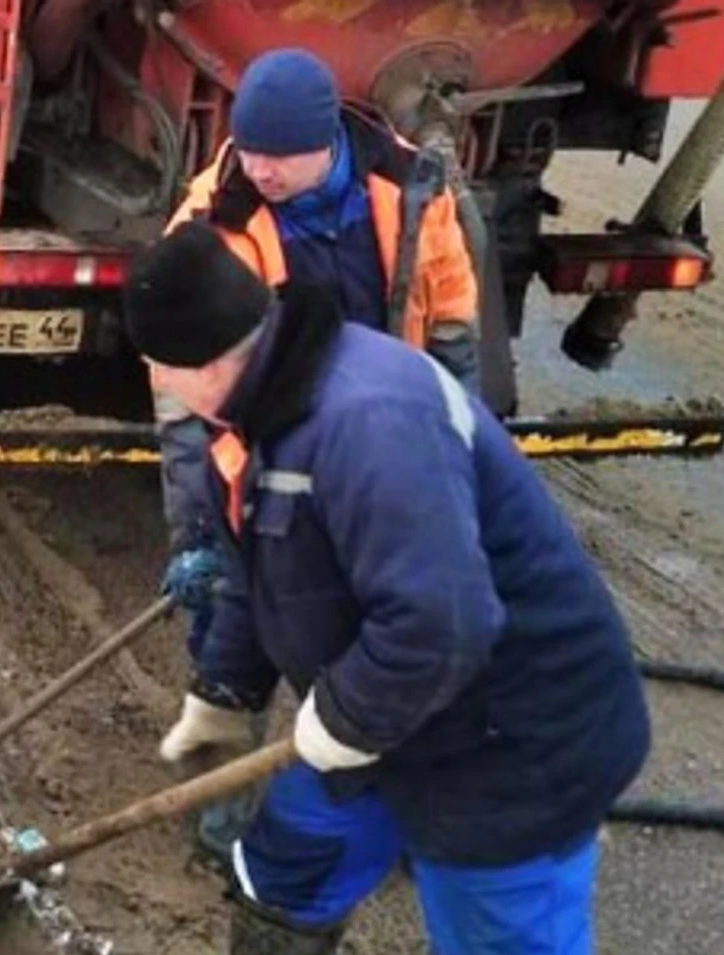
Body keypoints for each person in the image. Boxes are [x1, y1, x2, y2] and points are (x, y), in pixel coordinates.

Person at [117, 219, 655, 955]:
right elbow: (270, 566)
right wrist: (224, 688)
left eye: (160, 367)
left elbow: (445, 623)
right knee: (284, 864)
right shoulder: (273, 403)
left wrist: (345, 720)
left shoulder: (366, 421)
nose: (158, 384)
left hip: (511, 740)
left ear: (207, 358)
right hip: (402, 709)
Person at [153, 47, 484, 863]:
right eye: (247, 150)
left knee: (377, 640)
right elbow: (183, 406)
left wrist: (456, 450)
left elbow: (450, 324)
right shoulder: (212, 227)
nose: (257, 169)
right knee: (237, 634)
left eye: (279, 156)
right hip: (260, 458)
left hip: (373, 445)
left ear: (326, 143)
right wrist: (196, 530)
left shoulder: (409, 190)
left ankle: (386, 810)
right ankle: (223, 813)